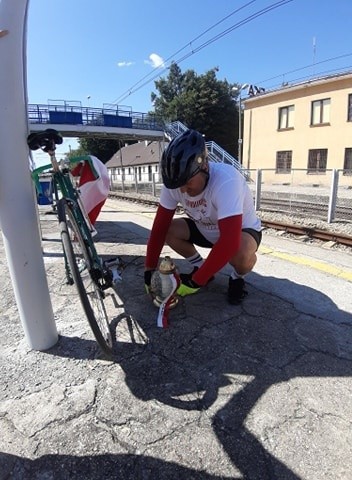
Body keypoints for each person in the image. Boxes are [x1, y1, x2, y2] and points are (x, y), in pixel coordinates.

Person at [144, 129, 262, 305]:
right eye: (178, 185)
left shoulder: (227, 180)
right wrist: (149, 268)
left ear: (204, 166)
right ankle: (200, 266)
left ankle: (237, 277)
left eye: (188, 182)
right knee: (169, 230)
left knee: (241, 253)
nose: (182, 190)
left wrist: (196, 282)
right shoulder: (175, 183)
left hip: (240, 232)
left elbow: (229, 241)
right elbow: (159, 228)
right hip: (205, 228)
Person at [70, 155, 110, 226]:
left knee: (85, 211)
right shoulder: (97, 166)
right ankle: (88, 228)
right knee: (92, 213)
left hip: (94, 189)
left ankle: (83, 230)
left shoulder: (87, 165)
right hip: (101, 192)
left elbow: (74, 173)